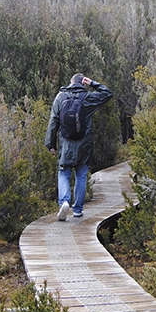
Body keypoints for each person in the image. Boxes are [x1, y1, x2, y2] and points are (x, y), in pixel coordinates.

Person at [45, 73, 113, 221]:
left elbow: (53, 121)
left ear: (70, 82)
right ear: (83, 83)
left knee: (63, 173)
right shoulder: (87, 98)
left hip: (66, 146)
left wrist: (50, 143)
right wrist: (94, 83)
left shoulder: (60, 97)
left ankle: (64, 202)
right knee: (81, 176)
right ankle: (77, 210)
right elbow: (108, 94)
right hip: (84, 146)